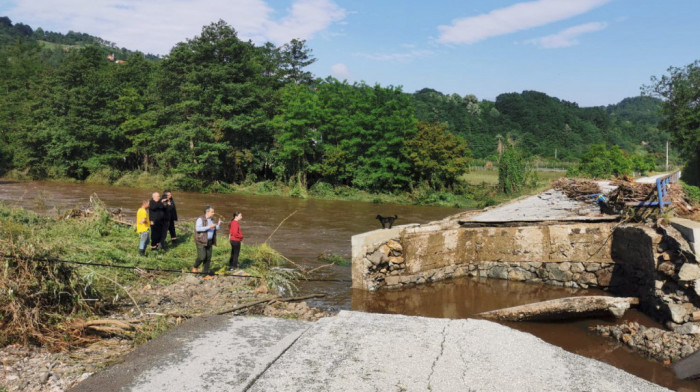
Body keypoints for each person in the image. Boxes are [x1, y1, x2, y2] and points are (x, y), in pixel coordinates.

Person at [193, 206, 221, 279]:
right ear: (207, 212)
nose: (213, 213)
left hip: (209, 241)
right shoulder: (200, 219)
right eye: (212, 212)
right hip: (201, 240)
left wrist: (218, 224)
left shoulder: (212, 219)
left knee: (208, 258)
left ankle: (204, 274)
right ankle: (195, 266)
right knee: (202, 257)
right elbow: (198, 229)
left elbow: (215, 228)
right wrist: (209, 227)